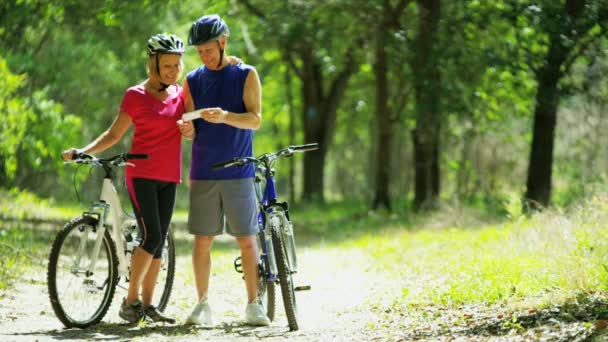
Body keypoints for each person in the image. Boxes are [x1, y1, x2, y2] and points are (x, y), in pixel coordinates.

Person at [62, 33, 193, 324]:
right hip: (142, 174)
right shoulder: (135, 95)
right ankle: (129, 301)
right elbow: (113, 134)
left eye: (177, 65)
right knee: (152, 235)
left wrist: (190, 131)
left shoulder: (179, 96)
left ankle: (148, 305)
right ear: (153, 64)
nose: (173, 71)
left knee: (158, 242)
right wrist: (82, 151)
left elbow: (191, 129)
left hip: (169, 176)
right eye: (167, 65)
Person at [178, 14, 270, 327]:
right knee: (202, 240)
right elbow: (189, 128)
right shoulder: (191, 80)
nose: (203, 55)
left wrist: (227, 116)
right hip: (203, 170)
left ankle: (253, 305)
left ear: (223, 42)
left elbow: (255, 119)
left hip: (238, 171)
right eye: (198, 50)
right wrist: (187, 130)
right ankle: (202, 304)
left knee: (247, 239)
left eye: (207, 49)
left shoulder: (246, 74)